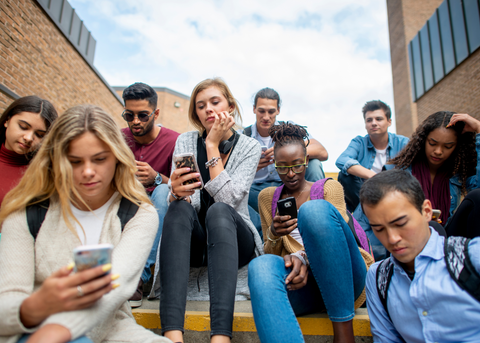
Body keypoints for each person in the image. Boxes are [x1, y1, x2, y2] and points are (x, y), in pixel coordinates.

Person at [0, 105, 170, 343]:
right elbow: (6, 303)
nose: (88, 171)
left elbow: (115, 288)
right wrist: (34, 307)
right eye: (75, 161)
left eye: (100, 159)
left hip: (109, 326)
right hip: (31, 328)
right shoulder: (26, 212)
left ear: (118, 157)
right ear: (56, 160)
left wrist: (59, 330)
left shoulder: (139, 213)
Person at [158, 78, 263, 343]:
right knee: (179, 209)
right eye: (201, 105)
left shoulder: (250, 146)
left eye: (215, 102)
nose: (208, 110)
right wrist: (176, 193)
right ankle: (172, 335)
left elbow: (228, 200)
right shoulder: (185, 141)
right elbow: (191, 203)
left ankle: (221, 337)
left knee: (218, 211)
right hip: (196, 238)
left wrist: (212, 146)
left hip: (235, 235)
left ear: (229, 104)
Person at [248, 123, 373, 343]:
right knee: (260, 265)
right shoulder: (267, 198)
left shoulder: (328, 188)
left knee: (312, 212)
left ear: (306, 160)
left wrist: (303, 257)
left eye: (297, 165)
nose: (290, 174)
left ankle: (344, 335)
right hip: (305, 286)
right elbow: (271, 251)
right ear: (275, 166)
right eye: (282, 167)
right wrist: (275, 234)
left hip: (345, 278)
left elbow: (338, 242)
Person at [360, 169, 480, 342]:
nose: (392, 238)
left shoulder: (470, 257)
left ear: (426, 211)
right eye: (379, 229)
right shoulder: (378, 277)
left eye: (400, 223)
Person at [121, 82, 179, 307]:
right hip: (126, 201)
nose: (135, 121)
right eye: (129, 115)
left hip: (159, 207)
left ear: (155, 113)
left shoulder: (174, 140)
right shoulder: (118, 138)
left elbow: (182, 185)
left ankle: (138, 278)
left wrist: (156, 177)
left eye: (143, 115)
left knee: (164, 189)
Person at [239, 88, 328, 232]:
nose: (266, 117)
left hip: (288, 185)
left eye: (271, 111)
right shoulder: (242, 136)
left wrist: (282, 155)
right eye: (261, 111)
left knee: (314, 164)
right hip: (257, 192)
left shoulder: (289, 130)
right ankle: (262, 236)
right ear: (254, 109)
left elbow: (322, 152)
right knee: (238, 192)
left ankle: (319, 211)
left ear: (278, 110)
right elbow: (231, 175)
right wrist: (252, 165)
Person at [389, 111, 480, 236]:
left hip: (447, 236)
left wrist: (479, 128)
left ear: (457, 147)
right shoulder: (401, 172)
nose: (438, 151)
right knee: (433, 225)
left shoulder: (457, 174)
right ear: (423, 141)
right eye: (432, 143)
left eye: (448, 146)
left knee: (477, 196)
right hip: (411, 235)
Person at [336, 100, 408, 212]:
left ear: (389, 122)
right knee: (345, 175)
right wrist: (374, 177)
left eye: (378, 119)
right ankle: (368, 212)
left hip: (394, 195)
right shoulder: (359, 142)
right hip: (363, 196)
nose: (373, 123)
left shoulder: (402, 143)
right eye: (369, 120)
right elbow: (342, 160)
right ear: (365, 124)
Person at [0, 95, 58, 205]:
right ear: (7, 121)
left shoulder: (41, 177)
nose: (28, 138)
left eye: (39, 135)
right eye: (23, 127)